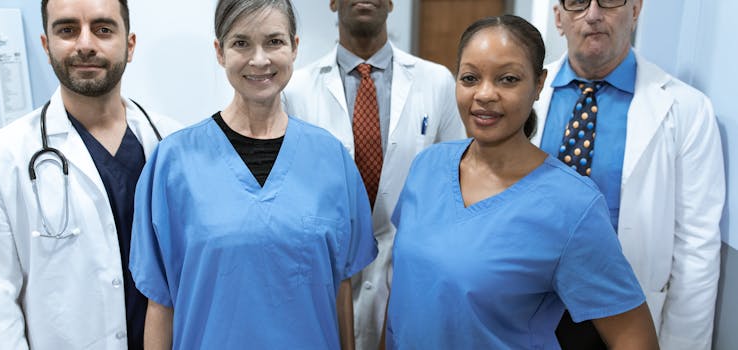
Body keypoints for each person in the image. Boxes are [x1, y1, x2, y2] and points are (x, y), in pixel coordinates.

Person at [384, 15, 659, 349]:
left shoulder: (571, 205)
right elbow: (403, 290)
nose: (484, 94)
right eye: (470, 78)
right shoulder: (427, 166)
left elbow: (634, 336)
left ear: (539, 84)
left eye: (508, 79)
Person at [129, 1, 377, 349]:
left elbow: (341, 288)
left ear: (294, 47)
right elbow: (160, 303)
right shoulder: (173, 162)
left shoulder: (331, 159)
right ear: (220, 52)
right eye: (241, 43)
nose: (259, 60)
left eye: (274, 42)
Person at [0, 0, 180, 348]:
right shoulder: (0, 159)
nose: (85, 44)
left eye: (103, 29)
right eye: (67, 30)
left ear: (130, 44)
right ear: (46, 45)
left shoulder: (173, 144)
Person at [533, 1, 725, 348]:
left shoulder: (688, 109)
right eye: (577, 2)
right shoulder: (523, 95)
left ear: (635, 10)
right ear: (558, 17)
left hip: (624, 320)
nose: (593, 14)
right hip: (529, 310)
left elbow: (696, 248)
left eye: (609, 0)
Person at [282, 2, 465, 348]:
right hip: (326, 275)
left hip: (409, 271)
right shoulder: (295, 91)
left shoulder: (437, 82)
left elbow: (454, 191)